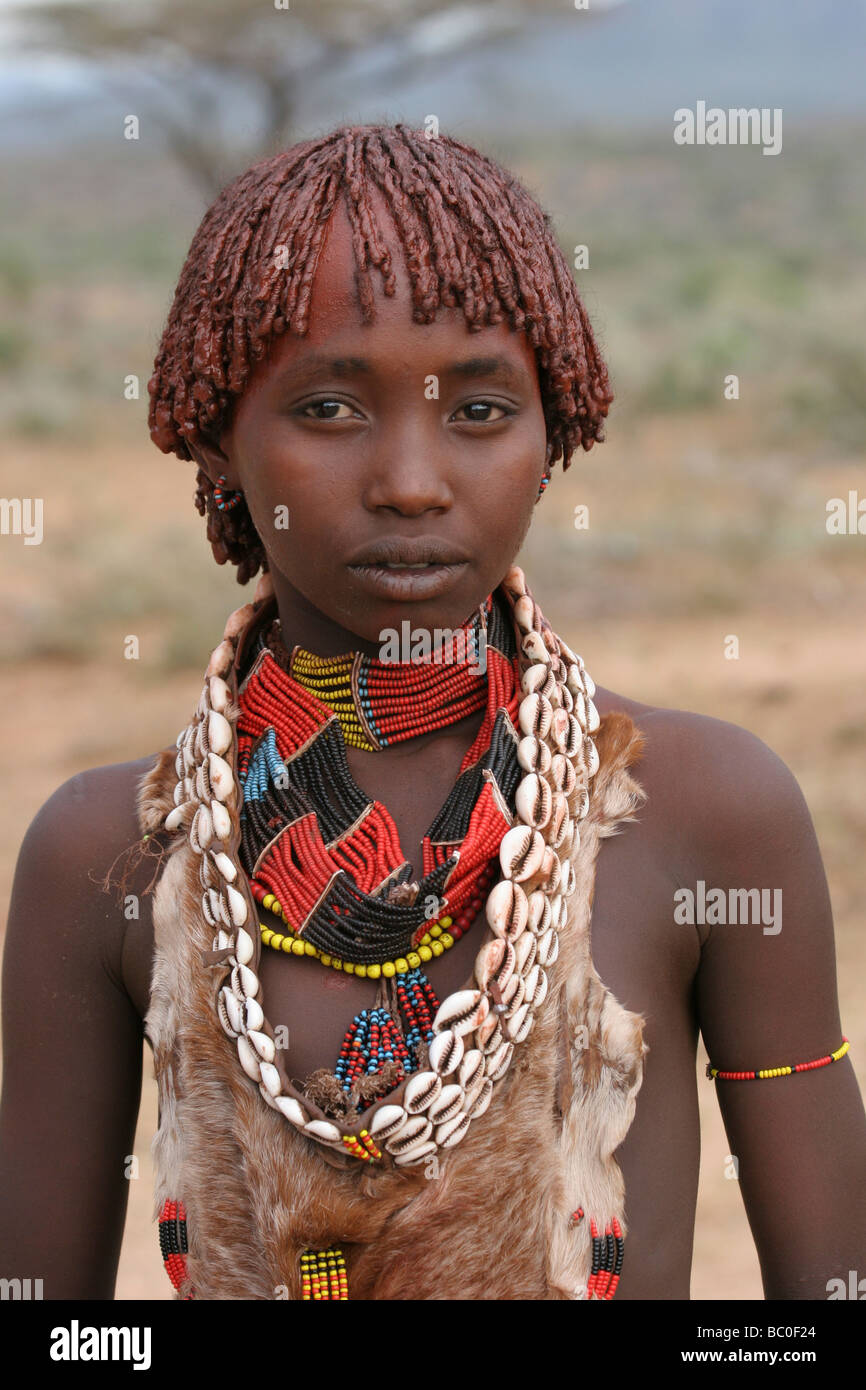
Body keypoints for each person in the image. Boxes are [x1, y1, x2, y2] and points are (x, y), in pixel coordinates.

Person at [1, 123, 863, 1302]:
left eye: (476, 412)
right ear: (212, 427)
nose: (410, 480)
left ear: (554, 429)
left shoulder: (705, 813)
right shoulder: (104, 855)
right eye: (328, 408)